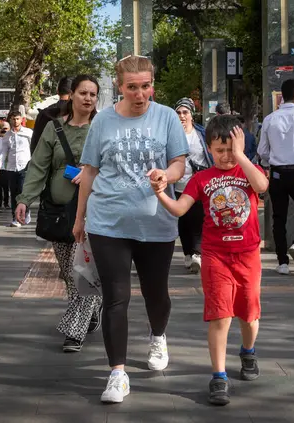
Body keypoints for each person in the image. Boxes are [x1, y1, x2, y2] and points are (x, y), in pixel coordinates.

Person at [73, 55, 189, 404]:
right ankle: (117, 374)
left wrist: (166, 176)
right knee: (115, 297)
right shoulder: (103, 121)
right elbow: (90, 171)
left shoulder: (167, 116)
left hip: (156, 222)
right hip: (109, 221)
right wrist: (80, 219)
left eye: (146, 85)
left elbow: (179, 163)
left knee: (156, 294)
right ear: (119, 87)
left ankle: (158, 334)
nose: (140, 94)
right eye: (132, 87)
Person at [152, 116, 268, 405]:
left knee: (249, 314)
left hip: (248, 255)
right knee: (220, 315)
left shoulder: (247, 171)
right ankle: (218, 376)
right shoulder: (201, 178)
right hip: (215, 256)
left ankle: (248, 351)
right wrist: (160, 194)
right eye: (220, 150)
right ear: (209, 148)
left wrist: (242, 156)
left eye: (231, 149)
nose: (226, 156)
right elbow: (180, 209)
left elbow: (262, 186)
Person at [15, 75, 103, 352]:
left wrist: (90, 176)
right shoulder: (54, 129)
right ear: (71, 96)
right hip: (59, 212)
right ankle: (93, 306)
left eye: (93, 94)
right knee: (69, 272)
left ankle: (74, 332)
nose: (88, 98)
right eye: (83, 93)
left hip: (96, 213)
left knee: (87, 272)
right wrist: (24, 199)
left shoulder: (103, 127)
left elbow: (114, 167)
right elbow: (39, 166)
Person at [258, 79, 294, 275]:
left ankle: (282, 262)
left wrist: (269, 163)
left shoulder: (269, 119)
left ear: (282, 96)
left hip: (277, 173)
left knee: (278, 217)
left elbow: (262, 150)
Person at [173, 97, 213, 273]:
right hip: (179, 184)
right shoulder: (171, 134)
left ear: (191, 114)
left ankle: (197, 253)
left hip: (199, 184)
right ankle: (188, 252)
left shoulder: (201, 134)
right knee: (184, 221)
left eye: (185, 112)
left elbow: (209, 155)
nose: (182, 116)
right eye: (179, 112)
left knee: (199, 218)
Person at [0, 111, 33, 227]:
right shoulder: (7, 135)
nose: (15, 121)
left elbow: (34, 148)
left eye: (17, 119)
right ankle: (15, 217)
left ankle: (25, 212)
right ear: (10, 120)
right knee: (13, 193)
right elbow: (4, 151)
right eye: (13, 119)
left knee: (22, 191)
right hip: (11, 167)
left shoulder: (28, 132)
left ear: (21, 119)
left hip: (25, 166)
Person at [31, 76, 72, 154]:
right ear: (73, 93)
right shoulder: (79, 114)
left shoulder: (44, 114)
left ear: (57, 91)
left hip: (46, 161)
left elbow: (35, 145)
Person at [0, 121, 11, 209]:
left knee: (7, 187)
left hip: (9, 167)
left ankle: (6, 202)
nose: (4, 131)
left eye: (6, 129)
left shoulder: (12, 138)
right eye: (3, 129)